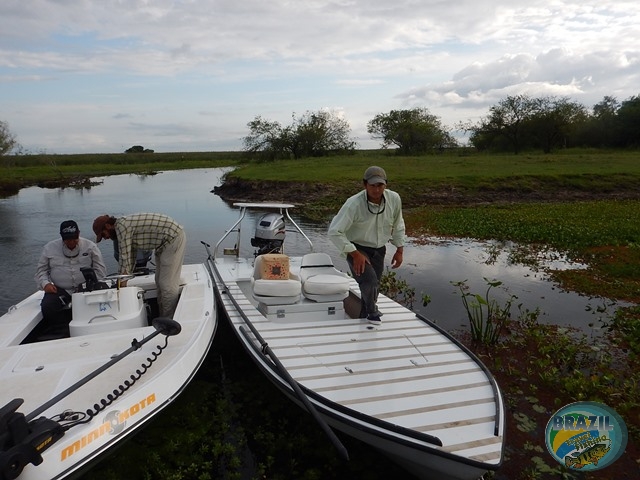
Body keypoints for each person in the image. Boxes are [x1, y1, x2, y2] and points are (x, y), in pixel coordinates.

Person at [328, 166, 405, 325]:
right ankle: (372, 313)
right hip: (357, 248)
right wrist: (355, 253)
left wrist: (399, 249)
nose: (377, 190)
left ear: (386, 185)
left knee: (373, 288)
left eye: (380, 185)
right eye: (373, 185)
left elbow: (398, 224)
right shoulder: (353, 204)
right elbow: (334, 232)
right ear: (365, 185)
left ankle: (364, 317)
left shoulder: (394, 199)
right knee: (369, 281)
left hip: (379, 249)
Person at [92, 213, 186, 318]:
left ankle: (170, 320)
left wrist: (122, 283)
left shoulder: (122, 228)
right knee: (159, 281)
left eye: (104, 235)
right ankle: (162, 316)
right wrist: (124, 279)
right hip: (162, 243)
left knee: (167, 284)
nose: (106, 238)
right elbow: (131, 256)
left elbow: (124, 256)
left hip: (173, 237)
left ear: (108, 226)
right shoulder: (123, 226)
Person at [35, 220, 107, 324]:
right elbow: (41, 271)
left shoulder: (91, 247)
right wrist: (45, 284)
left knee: (98, 303)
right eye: (67, 240)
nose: (71, 242)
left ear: (79, 233)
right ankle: (60, 330)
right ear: (61, 236)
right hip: (59, 290)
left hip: (86, 287)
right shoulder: (49, 248)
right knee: (47, 307)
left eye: (74, 239)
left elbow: (100, 271)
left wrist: (90, 285)